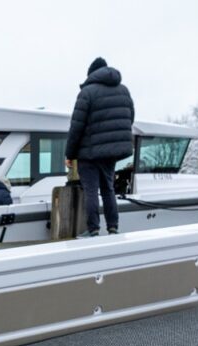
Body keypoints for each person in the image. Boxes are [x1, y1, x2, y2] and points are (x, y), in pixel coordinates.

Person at [65, 57, 135, 237]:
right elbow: (129, 117)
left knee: (91, 191)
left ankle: (93, 229)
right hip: (110, 154)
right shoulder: (124, 91)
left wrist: (70, 154)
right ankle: (113, 227)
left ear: (91, 74)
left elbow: (76, 127)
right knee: (108, 189)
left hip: (88, 153)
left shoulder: (87, 93)